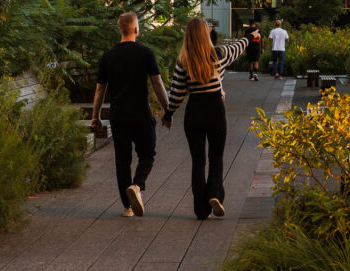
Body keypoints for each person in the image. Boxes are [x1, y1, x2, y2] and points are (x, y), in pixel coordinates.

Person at [162, 18, 257, 220]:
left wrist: (168, 114)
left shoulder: (183, 60)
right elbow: (237, 46)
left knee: (198, 162)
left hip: (194, 110)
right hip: (215, 109)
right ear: (206, 34)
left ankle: (200, 209)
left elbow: (177, 92)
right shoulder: (218, 54)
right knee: (216, 156)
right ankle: (214, 194)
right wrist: (251, 35)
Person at [91, 12, 170, 218]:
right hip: (141, 114)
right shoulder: (145, 53)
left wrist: (95, 116)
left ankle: (127, 207)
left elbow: (100, 89)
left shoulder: (107, 57)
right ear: (136, 29)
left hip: (118, 116)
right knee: (147, 153)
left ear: (120, 29)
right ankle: (137, 185)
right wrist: (167, 109)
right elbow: (157, 83)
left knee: (122, 160)